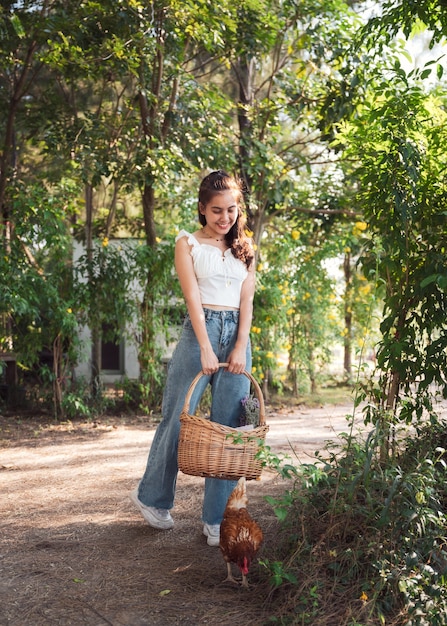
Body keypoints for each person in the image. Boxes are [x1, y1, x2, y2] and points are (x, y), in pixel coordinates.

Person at [131, 170, 256, 547]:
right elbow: (193, 300)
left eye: (231, 209)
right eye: (216, 210)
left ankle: (216, 520)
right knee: (177, 415)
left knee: (228, 429)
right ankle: (152, 498)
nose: (224, 217)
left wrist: (239, 345)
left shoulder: (245, 248)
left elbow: (247, 300)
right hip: (197, 334)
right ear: (202, 209)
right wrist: (204, 346)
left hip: (236, 337)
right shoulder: (187, 244)